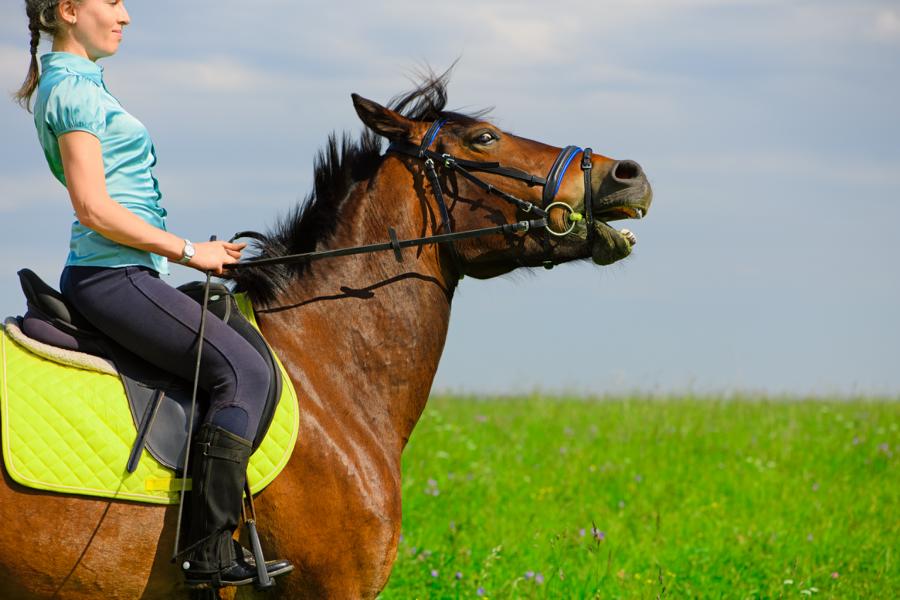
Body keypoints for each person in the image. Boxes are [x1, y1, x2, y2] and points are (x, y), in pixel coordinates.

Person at [14, 0, 293, 589]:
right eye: (111, 1)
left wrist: (191, 253)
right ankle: (206, 552)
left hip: (128, 271)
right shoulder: (73, 90)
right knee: (245, 373)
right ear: (67, 9)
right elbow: (92, 207)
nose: (126, 14)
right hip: (111, 277)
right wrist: (190, 251)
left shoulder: (80, 83)